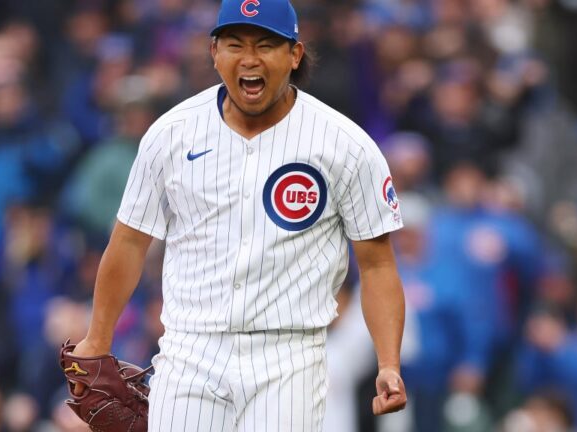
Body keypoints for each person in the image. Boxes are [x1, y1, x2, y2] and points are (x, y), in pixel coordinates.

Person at [70, 0, 408, 430]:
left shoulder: (345, 145)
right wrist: (97, 338)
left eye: (266, 45)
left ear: (294, 55)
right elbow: (130, 243)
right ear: (214, 53)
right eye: (235, 45)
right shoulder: (171, 134)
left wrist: (388, 362)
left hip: (288, 357)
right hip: (190, 351)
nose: (249, 59)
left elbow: (377, 264)